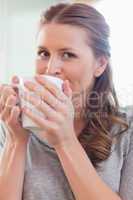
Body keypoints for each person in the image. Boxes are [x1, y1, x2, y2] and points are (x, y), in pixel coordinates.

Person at [0, 2, 133, 200]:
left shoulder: (126, 129)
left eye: (68, 55)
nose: (51, 68)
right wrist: (16, 140)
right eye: (44, 53)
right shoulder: (11, 125)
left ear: (100, 64)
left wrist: (65, 141)